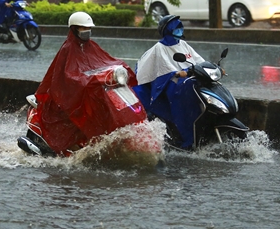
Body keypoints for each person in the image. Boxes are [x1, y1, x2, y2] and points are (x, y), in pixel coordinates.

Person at [34, 11, 137, 154]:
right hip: (69, 93)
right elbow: (69, 76)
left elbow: (105, 60)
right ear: (74, 29)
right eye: (83, 28)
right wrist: (89, 80)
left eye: (88, 28)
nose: (86, 31)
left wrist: (119, 68)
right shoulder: (68, 48)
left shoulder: (90, 45)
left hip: (87, 88)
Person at [133, 15, 204, 149]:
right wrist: (178, 73)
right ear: (168, 29)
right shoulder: (160, 48)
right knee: (181, 104)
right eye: (176, 28)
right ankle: (186, 139)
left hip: (188, 79)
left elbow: (198, 60)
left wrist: (211, 67)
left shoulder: (182, 44)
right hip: (170, 83)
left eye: (180, 27)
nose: (180, 30)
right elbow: (166, 68)